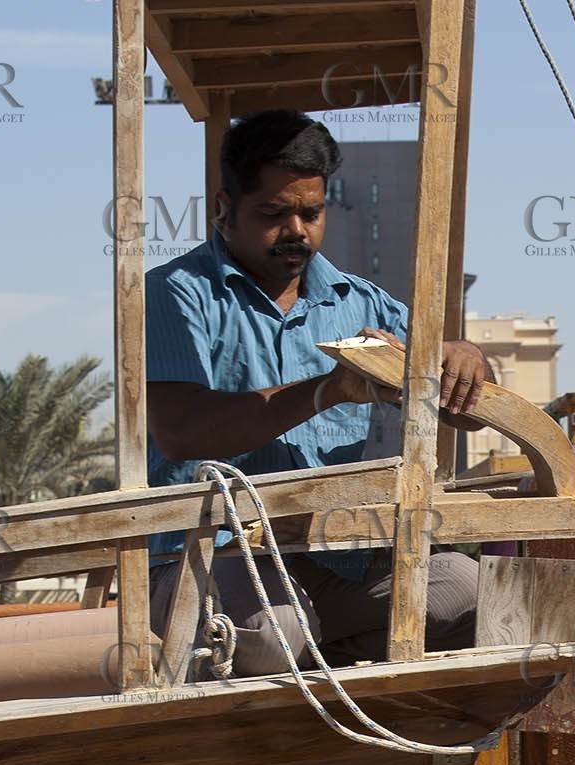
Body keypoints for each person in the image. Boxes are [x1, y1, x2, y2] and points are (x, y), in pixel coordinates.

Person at [145, 108, 488, 677]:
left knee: (471, 593)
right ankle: (289, 719)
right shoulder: (175, 295)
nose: (297, 231)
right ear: (224, 209)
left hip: (337, 555)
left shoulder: (361, 302)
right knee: (269, 637)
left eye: (311, 212)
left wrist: (467, 360)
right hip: (218, 552)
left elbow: (471, 415)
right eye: (274, 214)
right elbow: (183, 433)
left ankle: (338, 679)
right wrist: (330, 389)